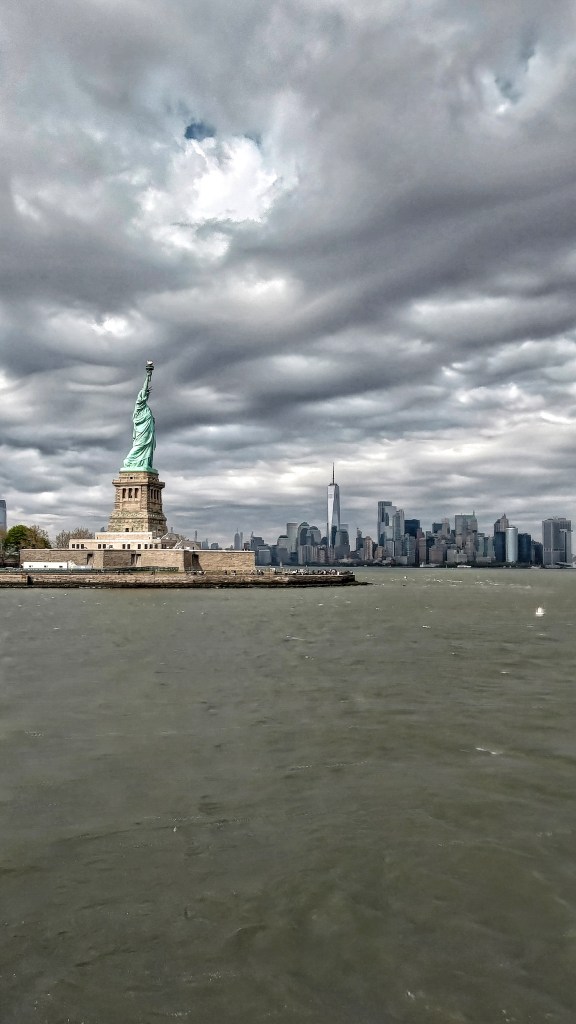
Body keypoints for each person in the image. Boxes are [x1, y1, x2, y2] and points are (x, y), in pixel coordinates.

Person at [123, 363, 156, 471]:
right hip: (142, 430)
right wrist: (148, 375)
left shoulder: (145, 408)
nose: (146, 394)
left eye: (147, 393)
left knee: (146, 447)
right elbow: (144, 388)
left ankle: (144, 463)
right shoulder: (139, 405)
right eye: (145, 394)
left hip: (147, 430)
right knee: (140, 445)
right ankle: (129, 461)